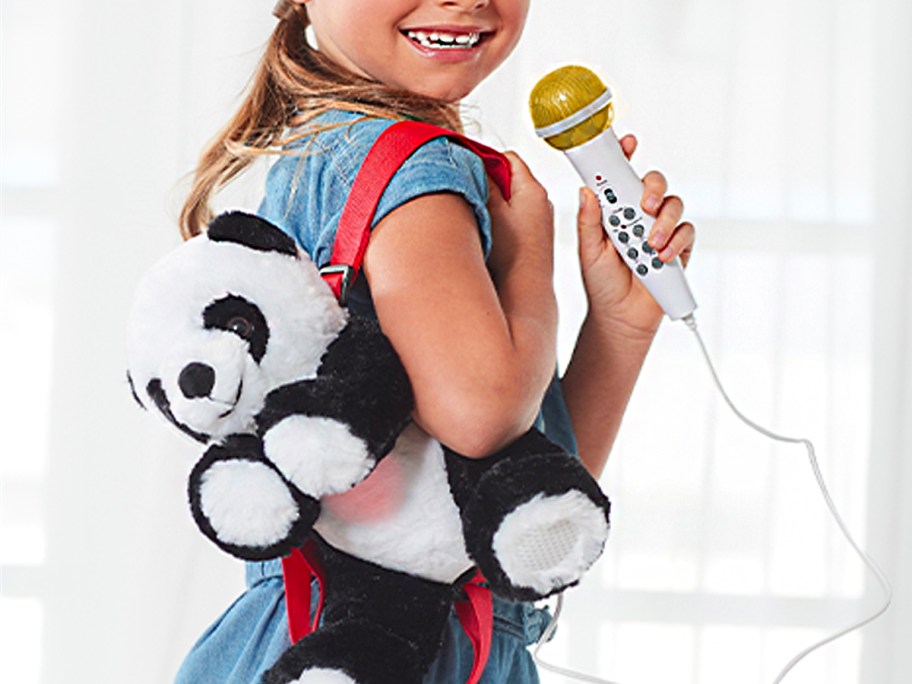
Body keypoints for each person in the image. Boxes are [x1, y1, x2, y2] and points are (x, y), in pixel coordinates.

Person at [175, 0, 695, 682]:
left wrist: (621, 326)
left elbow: (500, 511)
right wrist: (529, 255)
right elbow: (482, 415)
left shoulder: (328, 153)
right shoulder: (415, 170)